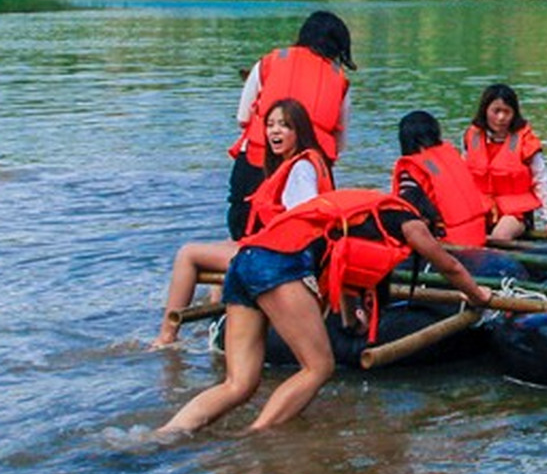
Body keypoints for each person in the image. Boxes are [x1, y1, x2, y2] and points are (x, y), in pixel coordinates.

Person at [157, 188, 491, 435]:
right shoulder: (408, 220)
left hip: (245, 260)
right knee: (318, 367)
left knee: (239, 384)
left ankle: (166, 434)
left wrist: (351, 317)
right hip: (279, 266)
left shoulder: (363, 212)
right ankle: (254, 438)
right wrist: (479, 295)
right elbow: (449, 265)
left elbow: (341, 270)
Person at [155, 99, 329, 347]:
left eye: (284, 125)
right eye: (270, 125)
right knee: (227, 243)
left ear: (299, 131)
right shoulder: (303, 162)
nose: (275, 131)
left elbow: (304, 218)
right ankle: (216, 313)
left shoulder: (300, 169)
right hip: (279, 253)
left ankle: (166, 337)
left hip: (282, 260)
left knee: (188, 254)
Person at [229, 11, 353, 239]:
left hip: (256, 162)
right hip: (310, 167)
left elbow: (242, 118)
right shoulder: (339, 80)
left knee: (243, 226)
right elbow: (340, 144)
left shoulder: (270, 62)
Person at [461, 83, 547, 241]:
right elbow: (462, 176)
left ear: (514, 113)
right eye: (496, 111)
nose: (501, 118)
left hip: (516, 212)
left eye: (506, 112)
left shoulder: (526, 141)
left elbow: (541, 180)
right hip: (482, 208)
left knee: (500, 236)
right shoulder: (472, 137)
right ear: (485, 111)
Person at [390, 110, 490, 246]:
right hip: (478, 234)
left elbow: (410, 218)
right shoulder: (452, 156)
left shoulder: (411, 170)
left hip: (449, 242)